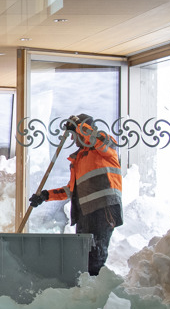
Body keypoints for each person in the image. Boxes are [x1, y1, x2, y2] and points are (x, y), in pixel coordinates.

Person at [29, 113, 123, 276]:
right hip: (85, 212)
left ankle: (95, 290)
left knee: (96, 254)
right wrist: (45, 196)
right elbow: (72, 190)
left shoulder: (105, 146)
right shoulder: (79, 159)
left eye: (75, 135)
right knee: (83, 255)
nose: (73, 139)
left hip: (104, 208)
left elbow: (96, 139)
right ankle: (84, 289)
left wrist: (79, 125)